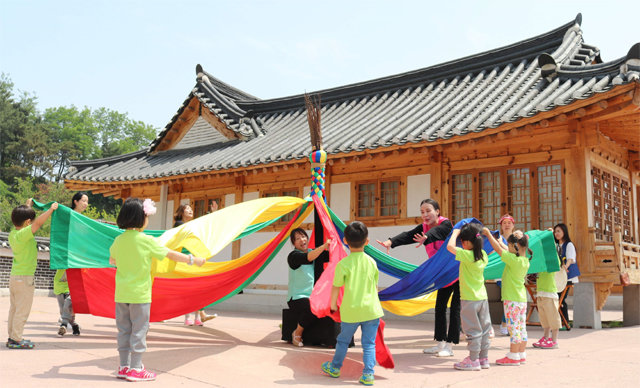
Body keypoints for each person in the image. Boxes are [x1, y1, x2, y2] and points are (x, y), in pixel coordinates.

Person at [109, 198, 205, 381]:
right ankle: (136, 369)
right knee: (139, 331)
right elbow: (170, 254)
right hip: (140, 295)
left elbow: (112, 260)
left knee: (124, 331)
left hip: (121, 294)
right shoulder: (146, 241)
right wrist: (194, 260)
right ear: (141, 218)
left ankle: (124, 367)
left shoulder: (118, 240)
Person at [377, 199, 456, 357]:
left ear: (437, 211)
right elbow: (408, 235)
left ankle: (450, 346)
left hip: (456, 271)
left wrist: (427, 237)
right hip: (440, 273)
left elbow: (438, 231)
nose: (425, 215)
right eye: (422, 212)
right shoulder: (424, 228)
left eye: (428, 211)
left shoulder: (446, 225)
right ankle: (440, 343)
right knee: (440, 307)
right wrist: (391, 242)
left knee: (455, 308)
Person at [321, 221, 383, 386]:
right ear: (367, 241)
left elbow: (336, 287)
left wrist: (333, 305)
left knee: (343, 341)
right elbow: (375, 286)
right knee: (369, 343)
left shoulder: (343, 264)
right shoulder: (372, 262)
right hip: (371, 310)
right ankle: (368, 375)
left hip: (351, 311)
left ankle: (334, 368)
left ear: (345, 241)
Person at [7, 199, 58, 349]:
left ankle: (12, 336)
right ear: (27, 222)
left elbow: (25, 219)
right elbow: (37, 224)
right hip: (25, 278)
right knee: (22, 311)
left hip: (15, 277)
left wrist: (28, 205)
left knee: (15, 309)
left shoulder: (13, 233)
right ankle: (16, 339)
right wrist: (51, 210)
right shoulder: (24, 234)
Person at [484, 228, 531, 366]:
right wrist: (502, 242)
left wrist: (488, 235)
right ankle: (521, 354)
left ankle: (513, 356)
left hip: (512, 300)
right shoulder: (524, 260)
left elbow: (499, 251)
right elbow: (506, 249)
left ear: (514, 247)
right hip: (521, 299)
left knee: (513, 328)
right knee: (521, 328)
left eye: (510, 246)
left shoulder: (513, 260)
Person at [447, 223, 491, 371]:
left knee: (472, 329)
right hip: (482, 298)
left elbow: (450, 247)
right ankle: (483, 358)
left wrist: (455, 233)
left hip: (469, 299)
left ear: (465, 243)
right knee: (484, 328)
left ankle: (473, 360)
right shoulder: (483, 255)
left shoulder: (467, 255)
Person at [287, 228, 331, 346]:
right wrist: (323, 246)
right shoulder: (293, 256)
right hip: (296, 298)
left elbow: (332, 256)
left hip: (312, 296)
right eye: (297, 238)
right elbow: (308, 258)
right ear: (294, 243)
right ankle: (297, 333)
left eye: (303, 236)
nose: (302, 240)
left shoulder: (314, 252)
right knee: (312, 307)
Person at [173, 204, 215, 325]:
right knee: (189, 289)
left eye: (192, 209)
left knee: (197, 288)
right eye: (188, 209)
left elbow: (200, 228)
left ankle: (198, 317)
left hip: (194, 259)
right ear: (181, 212)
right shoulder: (179, 224)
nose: (191, 211)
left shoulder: (190, 225)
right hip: (185, 260)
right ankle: (188, 318)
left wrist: (212, 215)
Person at [55, 192, 89, 336]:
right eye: (83, 200)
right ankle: (73, 324)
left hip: (77, 261)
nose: (86, 204)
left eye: (87, 201)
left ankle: (63, 323)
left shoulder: (85, 221)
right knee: (63, 298)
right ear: (75, 201)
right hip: (65, 260)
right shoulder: (68, 215)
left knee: (72, 295)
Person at [531, 249, 562, 350]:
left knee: (553, 318)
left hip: (549, 294)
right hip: (541, 293)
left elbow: (557, 261)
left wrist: (550, 246)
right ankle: (545, 337)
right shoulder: (540, 264)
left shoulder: (551, 265)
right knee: (544, 319)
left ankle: (554, 341)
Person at [553, 223, 579, 330]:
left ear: (564, 232)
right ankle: (561, 322)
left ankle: (565, 323)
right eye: (555, 232)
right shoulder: (556, 246)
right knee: (557, 298)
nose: (556, 233)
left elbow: (570, 259)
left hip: (567, 276)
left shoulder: (569, 245)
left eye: (559, 231)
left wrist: (564, 270)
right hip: (558, 277)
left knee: (560, 299)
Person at [495, 214, 516, 336]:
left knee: (513, 300)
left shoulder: (517, 238)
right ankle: (504, 324)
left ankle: (508, 324)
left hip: (515, 273)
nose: (507, 225)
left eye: (509, 223)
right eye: (504, 223)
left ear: (513, 225)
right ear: (501, 226)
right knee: (508, 299)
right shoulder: (499, 239)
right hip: (501, 273)